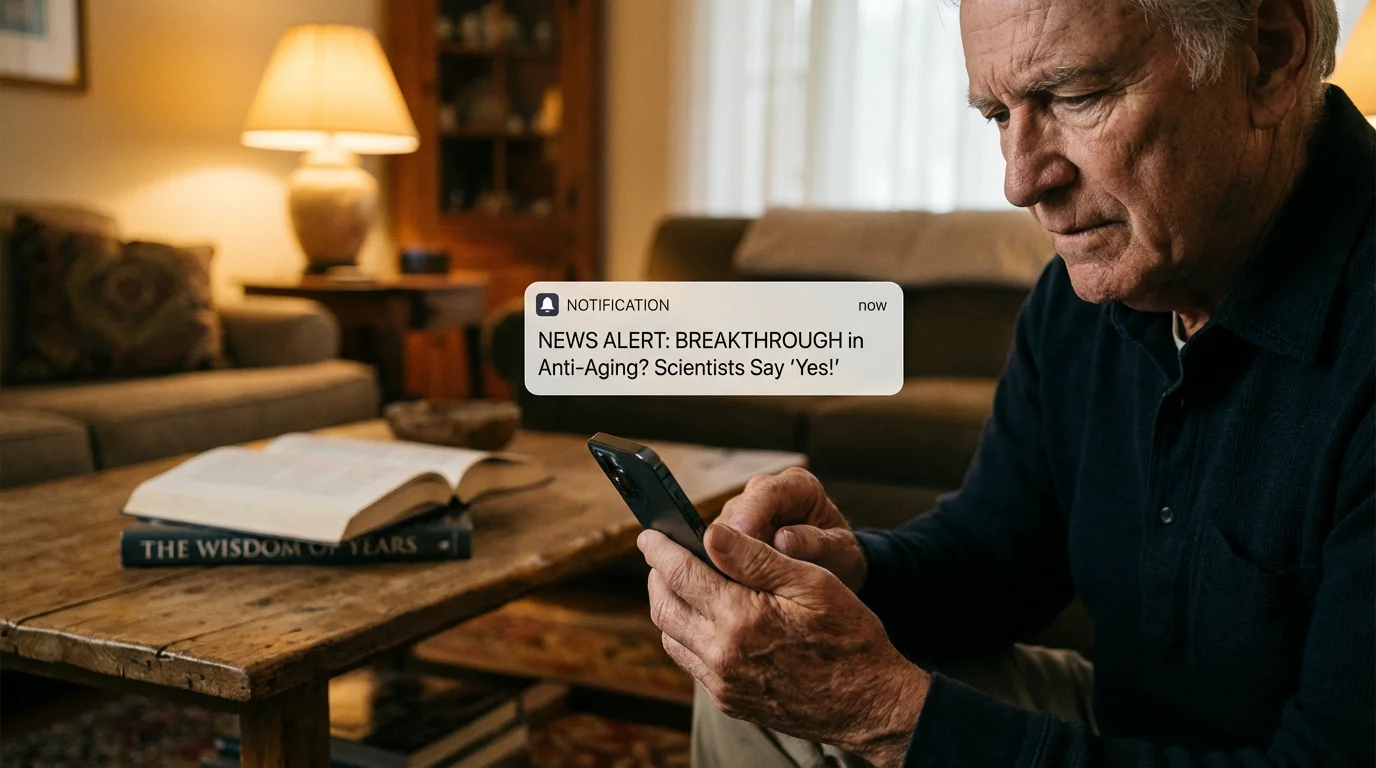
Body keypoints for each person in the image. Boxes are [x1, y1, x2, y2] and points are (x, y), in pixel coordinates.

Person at [636, 0, 1375, 764]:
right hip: (1123, 723)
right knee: (762, 669)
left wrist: (892, 718)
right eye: (998, 113)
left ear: (1269, 54)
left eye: (1077, 96)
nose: (1020, 181)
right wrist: (852, 570)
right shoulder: (1090, 288)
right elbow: (996, 558)